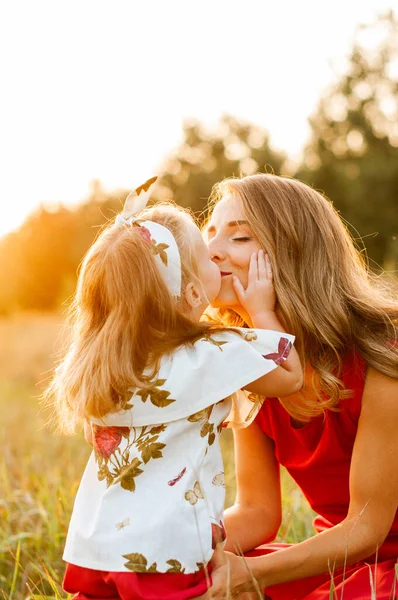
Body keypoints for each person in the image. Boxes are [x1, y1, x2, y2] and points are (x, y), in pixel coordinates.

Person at [44, 177, 302, 600]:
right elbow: (289, 374)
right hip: (166, 551)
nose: (216, 253)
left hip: (98, 549)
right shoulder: (211, 352)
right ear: (193, 292)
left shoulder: (109, 368)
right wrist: (260, 309)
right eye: (204, 252)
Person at [196, 173, 398, 599]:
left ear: (295, 252)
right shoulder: (245, 364)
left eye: (240, 238)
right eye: (209, 233)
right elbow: (256, 512)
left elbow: (367, 526)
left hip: (378, 556)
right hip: (340, 558)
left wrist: (252, 574)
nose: (209, 251)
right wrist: (174, 554)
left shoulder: (383, 354)